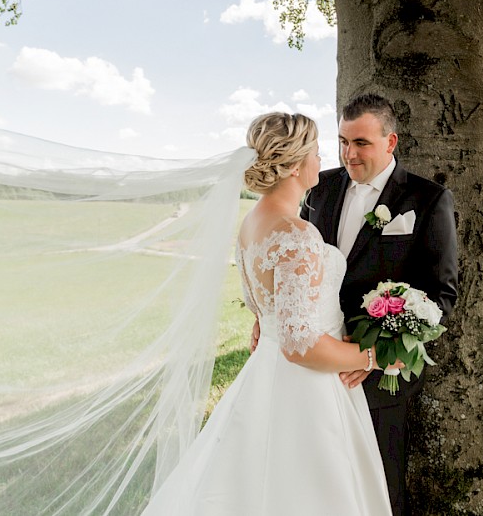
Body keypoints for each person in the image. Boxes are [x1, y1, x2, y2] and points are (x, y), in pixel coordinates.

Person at [142, 111, 393, 515]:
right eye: (314, 151)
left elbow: (273, 310)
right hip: (308, 392)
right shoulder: (296, 234)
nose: (321, 159)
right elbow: (300, 345)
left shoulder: (252, 223)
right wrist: (376, 355)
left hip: (266, 374)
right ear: (295, 165)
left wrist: (266, 322)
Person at [301, 93, 459, 516]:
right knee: (319, 481)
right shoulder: (319, 188)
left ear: (390, 143)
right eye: (342, 142)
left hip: (380, 375)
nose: (349, 154)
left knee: (378, 485)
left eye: (361, 143)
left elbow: (440, 295)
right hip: (317, 359)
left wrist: (376, 355)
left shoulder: (427, 200)